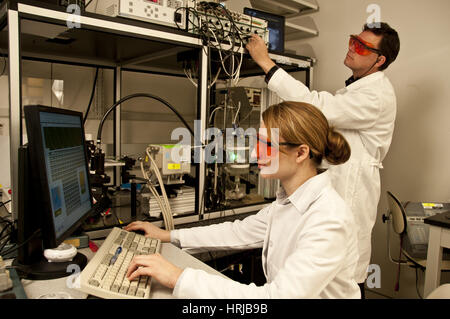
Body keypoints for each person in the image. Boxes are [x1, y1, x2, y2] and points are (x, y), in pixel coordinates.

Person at [125, 101, 360, 298]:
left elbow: (276, 297)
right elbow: (237, 232)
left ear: (301, 153)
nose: (256, 153)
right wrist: (168, 236)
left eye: (267, 145)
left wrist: (178, 277)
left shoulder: (328, 219)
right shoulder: (289, 201)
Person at [245, 22, 400, 298]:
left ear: (380, 60)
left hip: (349, 199)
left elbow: (315, 106)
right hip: (330, 201)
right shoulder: (358, 89)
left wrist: (265, 62)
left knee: (344, 283)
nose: (352, 48)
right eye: (353, 40)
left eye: (362, 46)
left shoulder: (376, 95)